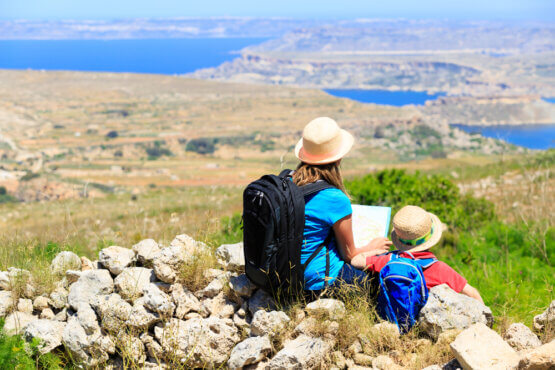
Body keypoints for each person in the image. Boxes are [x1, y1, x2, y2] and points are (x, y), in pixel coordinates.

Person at [292, 117, 391, 294]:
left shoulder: (290, 182)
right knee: (386, 280)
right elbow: (350, 255)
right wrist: (374, 246)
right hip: (318, 280)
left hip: (286, 273)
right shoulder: (334, 198)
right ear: (338, 159)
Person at [351, 205, 484, 303]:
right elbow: (471, 292)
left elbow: (355, 261)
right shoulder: (440, 269)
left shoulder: (388, 260)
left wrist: (375, 250)